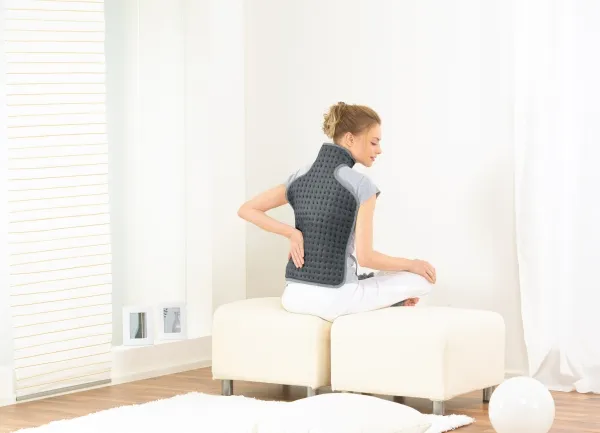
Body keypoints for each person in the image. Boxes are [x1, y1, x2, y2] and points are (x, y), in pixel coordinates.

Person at [238, 102, 436, 322]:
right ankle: (383, 298)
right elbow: (366, 257)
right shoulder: (361, 186)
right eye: (374, 142)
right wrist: (412, 264)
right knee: (422, 280)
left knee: (376, 276)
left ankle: (370, 291)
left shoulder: (299, 177)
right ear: (350, 139)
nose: (379, 150)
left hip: (293, 296)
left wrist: (291, 233)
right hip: (336, 300)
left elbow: (247, 209)